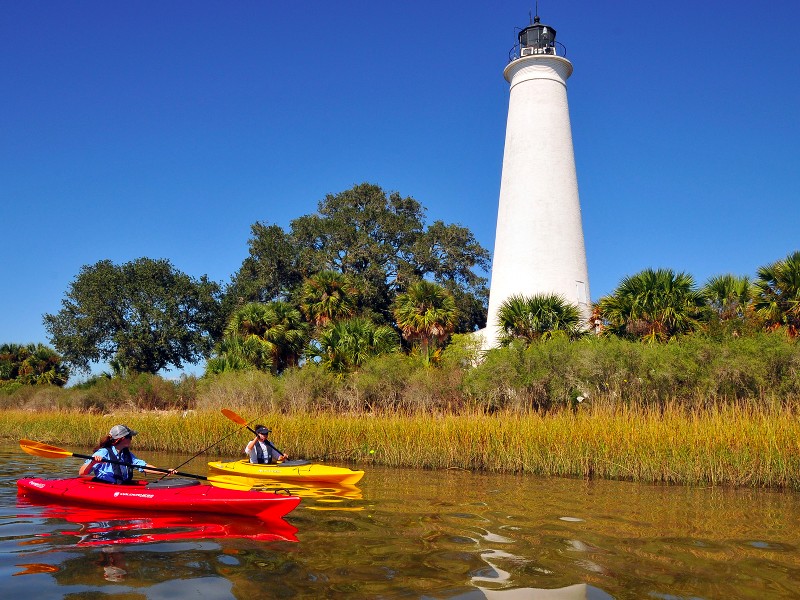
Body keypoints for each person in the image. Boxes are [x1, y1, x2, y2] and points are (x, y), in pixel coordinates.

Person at [78, 424, 170, 484]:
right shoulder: (103, 452)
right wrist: (92, 463)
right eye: (129, 437)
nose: (131, 439)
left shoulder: (127, 454)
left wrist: (165, 471)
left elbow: (144, 466)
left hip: (121, 486)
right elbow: (82, 473)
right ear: (121, 438)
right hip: (106, 487)